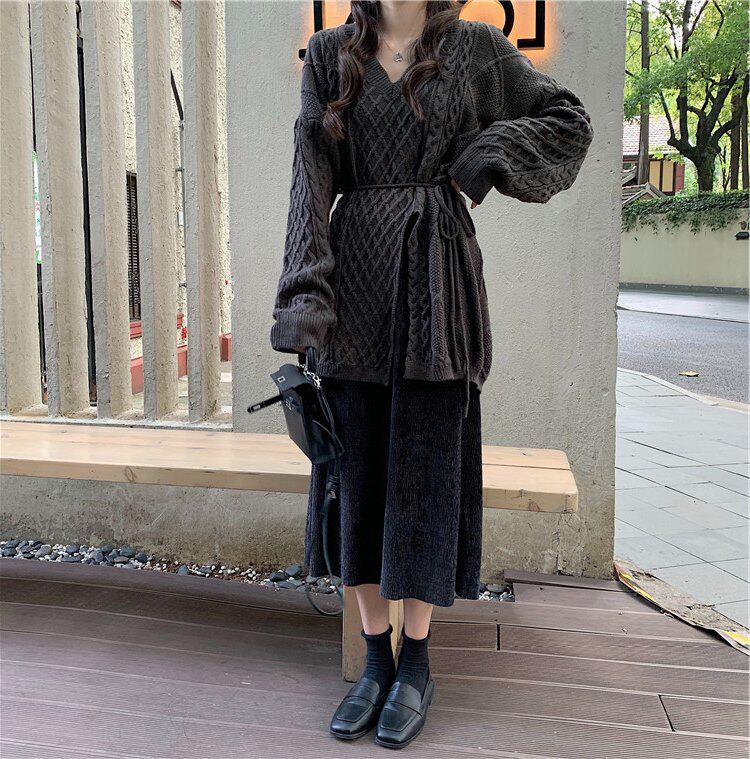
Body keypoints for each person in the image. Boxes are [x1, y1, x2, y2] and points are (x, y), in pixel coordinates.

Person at [270, 0, 593, 749]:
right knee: (354, 480)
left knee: (425, 480)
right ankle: (374, 661)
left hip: (438, 286)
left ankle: (416, 661)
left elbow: (567, 121)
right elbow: (309, 184)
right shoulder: (330, 54)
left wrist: (488, 153)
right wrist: (304, 300)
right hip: (354, 292)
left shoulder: (477, 48)